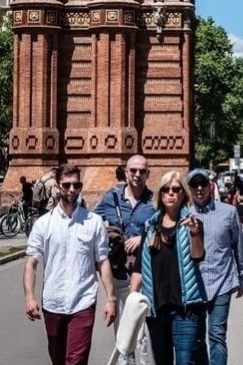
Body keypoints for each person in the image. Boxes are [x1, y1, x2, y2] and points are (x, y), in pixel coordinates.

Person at [23, 164, 116, 365]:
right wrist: (29, 297)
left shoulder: (94, 222)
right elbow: (31, 263)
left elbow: (102, 261)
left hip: (83, 301)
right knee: (58, 360)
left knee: (76, 360)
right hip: (53, 302)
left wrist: (111, 298)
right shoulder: (44, 224)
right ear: (58, 187)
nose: (72, 189)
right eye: (67, 185)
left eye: (76, 185)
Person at [129, 171, 208, 365]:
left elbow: (198, 256)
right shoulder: (150, 227)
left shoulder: (192, 223)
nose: (170, 193)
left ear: (183, 194)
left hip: (186, 309)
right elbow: (140, 267)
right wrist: (132, 298)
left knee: (185, 361)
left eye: (176, 189)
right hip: (157, 309)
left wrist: (195, 233)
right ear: (160, 195)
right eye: (166, 189)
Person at [94, 155, 156, 365]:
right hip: (119, 275)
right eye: (133, 170)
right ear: (126, 172)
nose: (137, 175)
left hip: (146, 278)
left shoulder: (154, 201)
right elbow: (92, 223)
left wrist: (144, 238)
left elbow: (167, 230)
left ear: (148, 173)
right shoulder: (111, 199)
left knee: (144, 337)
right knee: (124, 335)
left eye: (142, 171)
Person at [187, 169, 243, 365]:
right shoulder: (183, 214)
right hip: (193, 284)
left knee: (217, 335)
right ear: (189, 188)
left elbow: (238, 245)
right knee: (197, 337)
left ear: (210, 186)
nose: (199, 189)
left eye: (203, 184)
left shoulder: (228, 212)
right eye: (194, 185)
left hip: (221, 281)